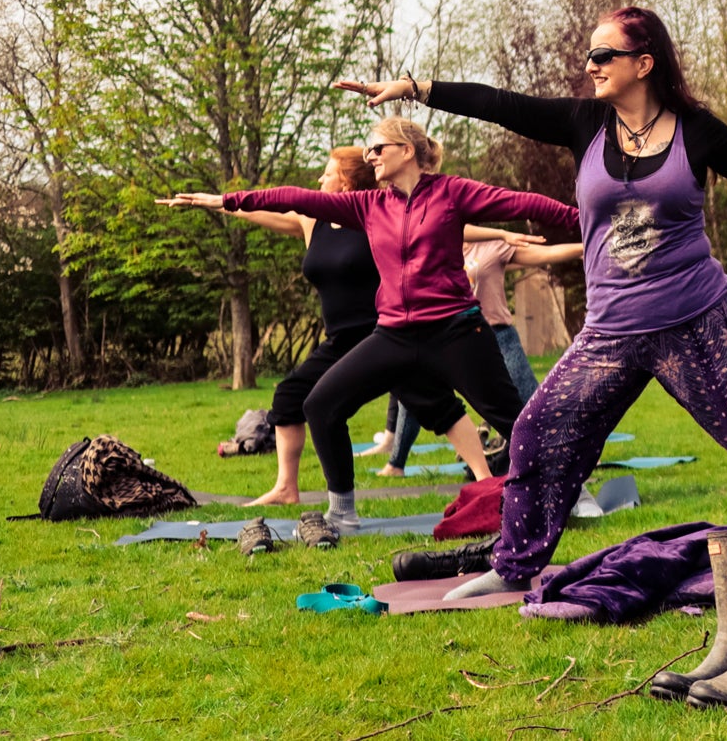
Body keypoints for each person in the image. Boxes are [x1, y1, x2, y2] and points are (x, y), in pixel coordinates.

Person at [335, 7, 727, 648]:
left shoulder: (695, 131)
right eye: (590, 56)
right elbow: (501, 105)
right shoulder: (586, 123)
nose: (590, 66)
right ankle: (513, 567)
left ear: (643, 63)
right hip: (610, 331)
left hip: (696, 322)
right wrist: (416, 89)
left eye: (603, 56)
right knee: (539, 433)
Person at [162, 116, 578, 530]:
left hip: (455, 329)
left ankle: (577, 492)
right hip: (394, 334)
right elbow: (295, 198)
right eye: (368, 150)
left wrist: (586, 222)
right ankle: (341, 512)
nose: (370, 156)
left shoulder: (453, 193)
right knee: (319, 405)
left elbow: (524, 203)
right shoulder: (369, 205)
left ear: (407, 151)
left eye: (378, 148)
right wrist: (225, 201)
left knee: (514, 418)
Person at [199, 147, 528, 505]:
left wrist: (500, 235)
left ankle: (484, 479)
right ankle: (286, 488)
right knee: (290, 397)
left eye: (327, 173)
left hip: (384, 334)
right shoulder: (313, 221)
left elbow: (443, 219)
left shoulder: (374, 212)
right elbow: (269, 209)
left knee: (436, 404)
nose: (320, 179)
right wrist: (221, 204)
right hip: (341, 341)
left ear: (347, 180)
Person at [372, 237, 585, 477]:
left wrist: (584, 246)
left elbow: (543, 253)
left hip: (498, 335)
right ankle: (395, 464)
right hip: (448, 337)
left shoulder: (494, 245)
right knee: (413, 398)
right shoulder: (434, 242)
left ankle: (567, 457)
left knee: (529, 401)